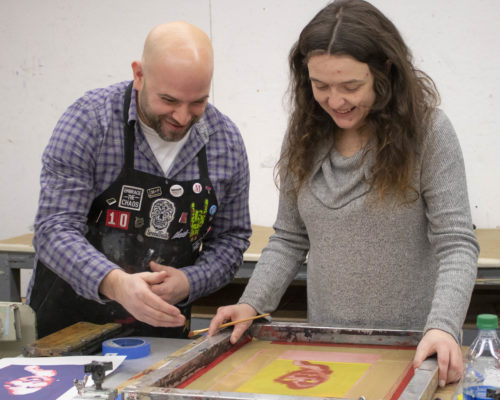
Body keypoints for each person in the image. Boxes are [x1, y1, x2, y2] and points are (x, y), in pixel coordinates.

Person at [208, 0, 479, 388]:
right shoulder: (305, 133)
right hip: (326, 354)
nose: (335, 101)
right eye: (321, 86)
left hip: (412, 353)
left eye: (351, 86)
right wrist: (251, 305)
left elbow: (456, 244)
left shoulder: (429, 132)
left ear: (385, 72)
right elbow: (288, 238)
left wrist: (443, 326)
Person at [27, 21, 251, 339]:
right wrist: (116, 283)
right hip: (65, 334)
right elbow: (53, 229)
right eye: (169, 101)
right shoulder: (89, 122)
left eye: (198, 102)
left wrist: (190, 280)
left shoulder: (224, 141)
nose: (183, 117)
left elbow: (231, 240)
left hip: (158, 338)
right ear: (139, 75)